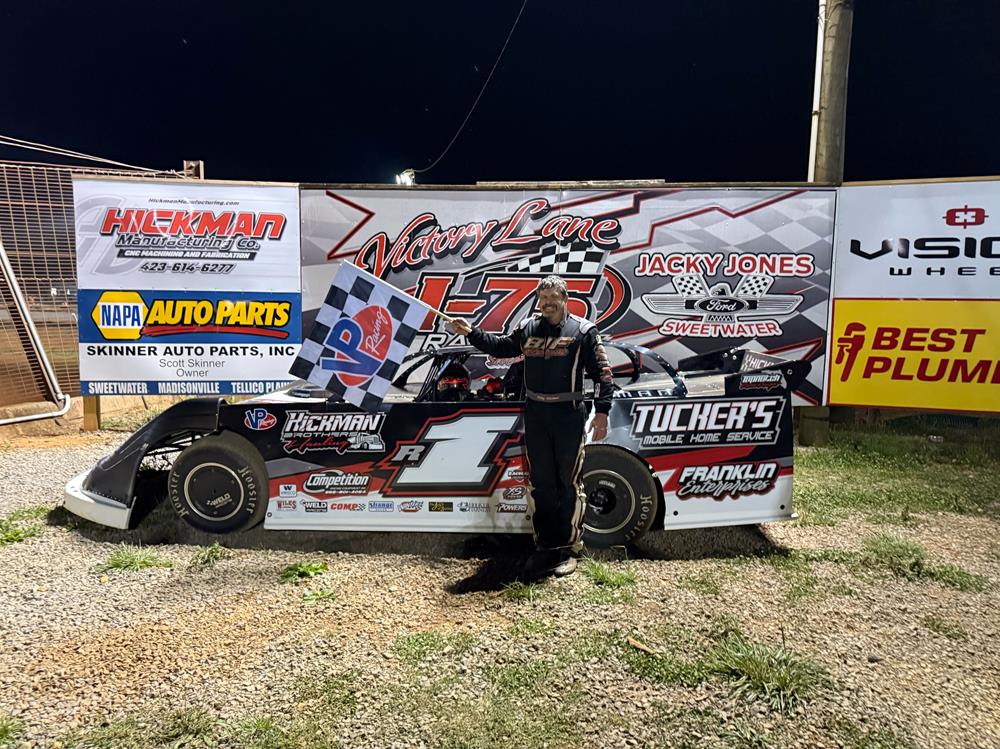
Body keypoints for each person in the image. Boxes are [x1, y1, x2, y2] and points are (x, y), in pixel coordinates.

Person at [449, 275, 614, 580]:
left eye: (553, 297)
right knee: (541, 483)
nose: (547, 303)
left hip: (568, 415)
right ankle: (546, 545)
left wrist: (602, 412)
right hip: (536, 414)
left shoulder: (584, 331)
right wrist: (471, 332)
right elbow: (501, 347)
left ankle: (569, 548)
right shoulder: (527, 328)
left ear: (565, 299)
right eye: (543, 298)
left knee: (568, 484)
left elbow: (603, 374)